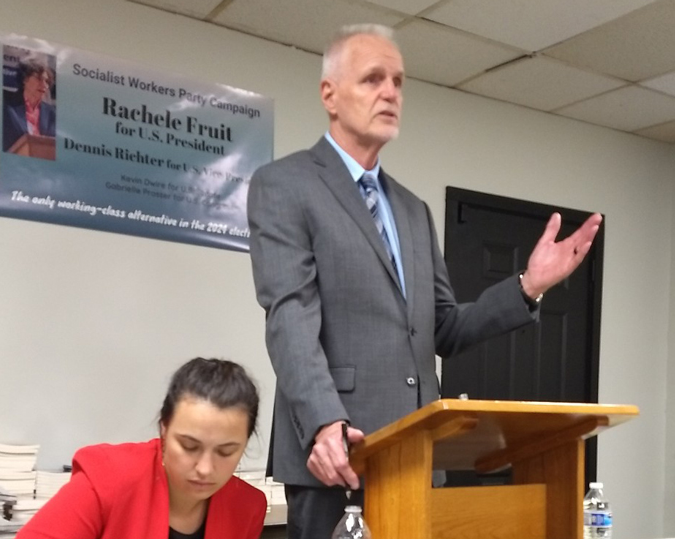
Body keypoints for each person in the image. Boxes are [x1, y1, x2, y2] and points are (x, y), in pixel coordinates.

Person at [247, 24, 602, 539]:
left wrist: (527, 285)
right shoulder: (285, 184)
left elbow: (444, 327)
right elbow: (289, 315)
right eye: (372, 79)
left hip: (418, 457)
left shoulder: (412, 211)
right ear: (330, 94)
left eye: (398, 81)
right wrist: (324, 422)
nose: (390, 92)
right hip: (340, 455)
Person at [16, 357, 266, 539]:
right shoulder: (107, 480)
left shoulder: (246, 507)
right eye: (190, 446)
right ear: (164, 430)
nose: (205, 468)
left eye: (226, 452)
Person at [3, 58, 56, 153]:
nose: (44, 85)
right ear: (24, 79)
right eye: (39, 79)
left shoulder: (52, 113)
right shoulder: (6, 105)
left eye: (46, 81)